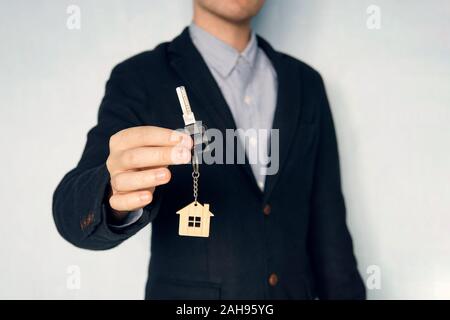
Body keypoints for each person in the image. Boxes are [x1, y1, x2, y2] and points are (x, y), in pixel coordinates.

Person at [53, 0, 366, 299]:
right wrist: (112, 194)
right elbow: (73, 209)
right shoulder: (140, 78)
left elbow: (330, 230)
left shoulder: (306, 83)